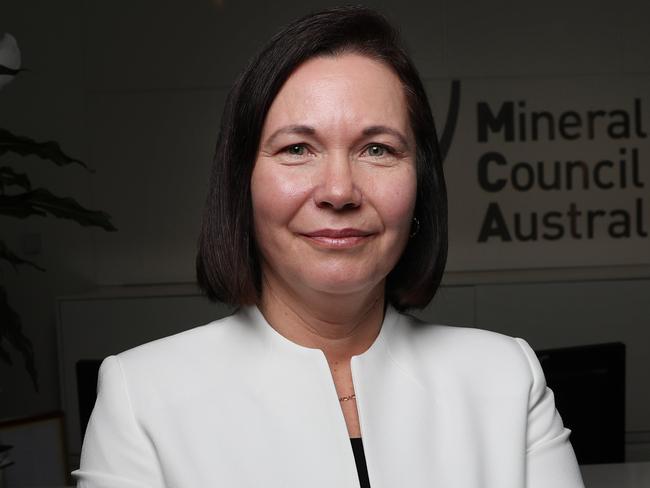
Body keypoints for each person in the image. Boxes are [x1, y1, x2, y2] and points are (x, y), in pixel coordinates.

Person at [73, 6, 585, 488]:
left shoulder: (506, 378)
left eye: (377, 149)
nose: (339, 191)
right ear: (241, 184)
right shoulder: (140, 398)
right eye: (298, 149)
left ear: (420, 186)